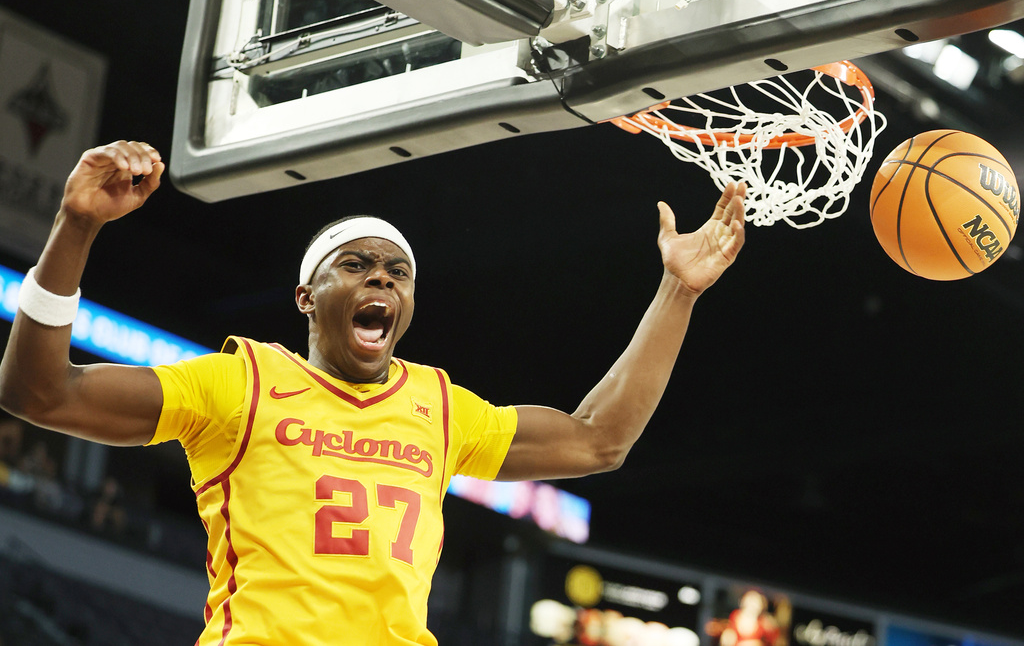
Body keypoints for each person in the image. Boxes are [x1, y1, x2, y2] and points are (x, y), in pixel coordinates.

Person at [0, 140, 746, 645]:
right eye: (356, 264)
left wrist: (677, 291)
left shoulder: (439, 407)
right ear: (305, 297)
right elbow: (39, 393)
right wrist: (75, 226)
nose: (382, 277)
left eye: (397, 271)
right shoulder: (238, 381)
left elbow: (597, 439)